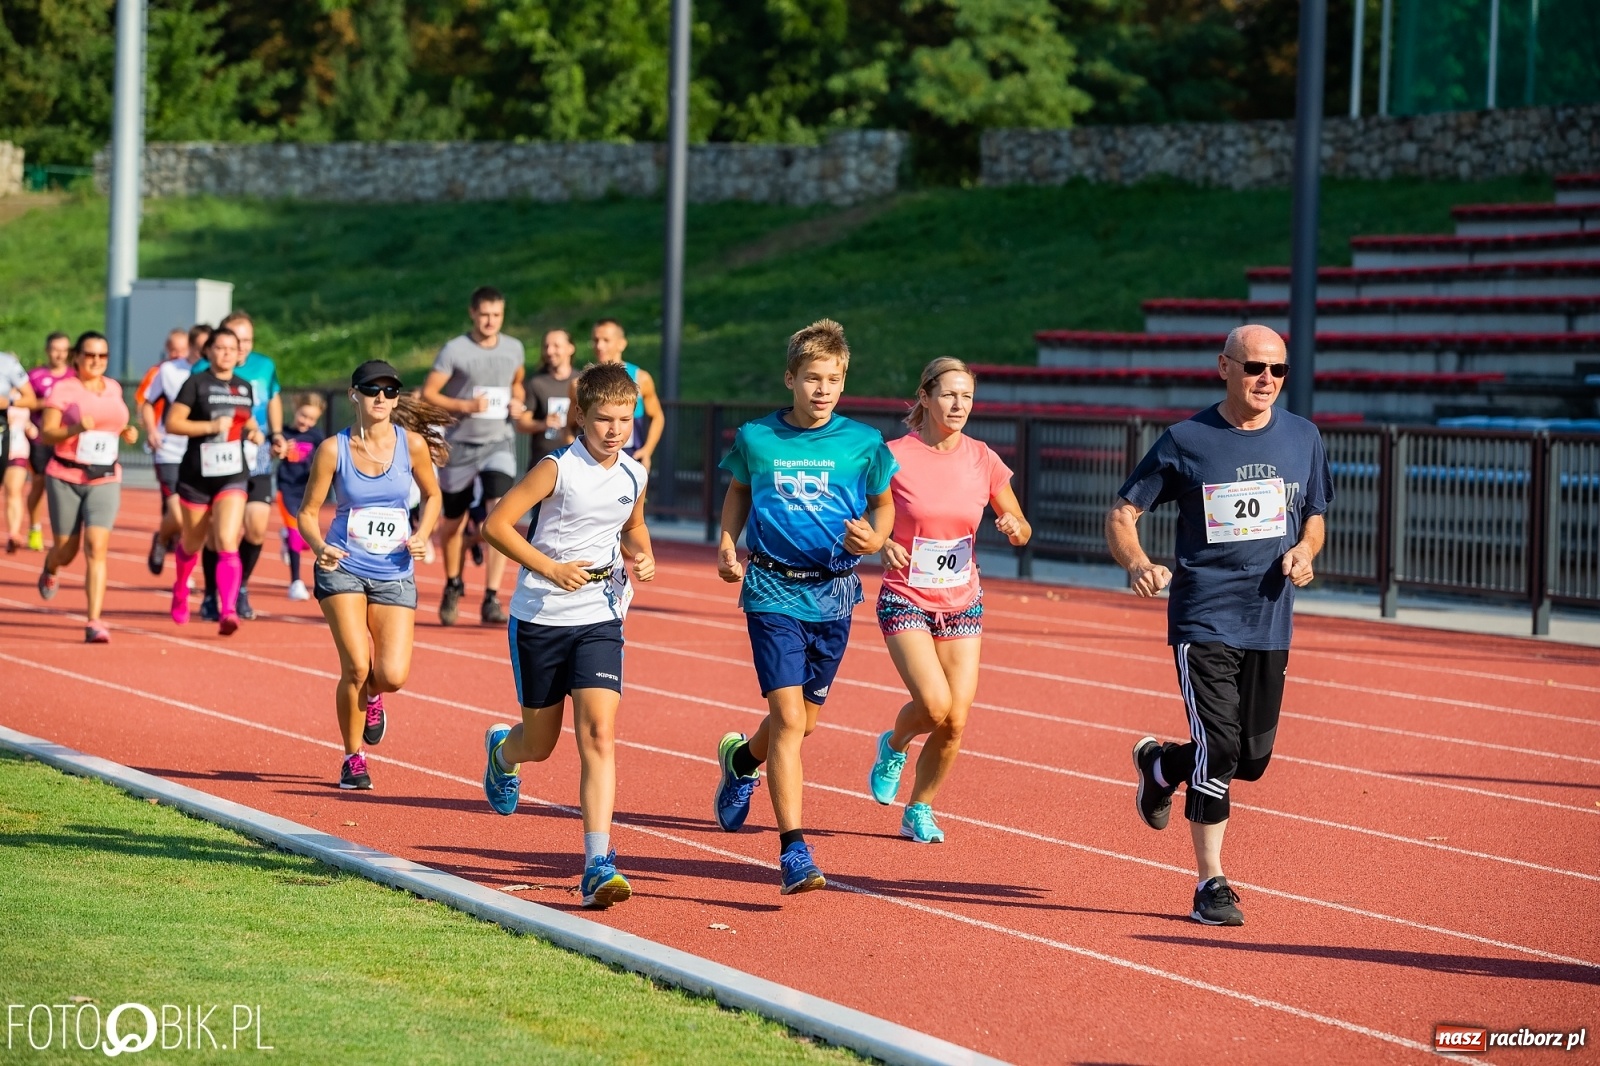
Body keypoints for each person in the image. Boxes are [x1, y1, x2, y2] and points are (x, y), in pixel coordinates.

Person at [1108, 324, 1330, 927]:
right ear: (1224, 367)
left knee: (1249, 759)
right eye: (1255, 367)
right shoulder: (1186, 439)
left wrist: (1306, 552)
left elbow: (1314, 516)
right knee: (1221, 746)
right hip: (1203, 612)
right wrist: (1137, 563)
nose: (1267, 380)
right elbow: (1124, 511)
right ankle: (1212, 883)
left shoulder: (1304, 438)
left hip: (1270, 616)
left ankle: (1161, 766)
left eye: (1278, 371)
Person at [709, 319, 896, 894]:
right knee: (789, 719)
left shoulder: (864, 443)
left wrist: (876, 536)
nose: (822, 390)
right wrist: (726, 541)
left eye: (833, 380)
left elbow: (882, 506)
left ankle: (742, 761)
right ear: (790, 378)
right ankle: (794, 851)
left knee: (803, 724)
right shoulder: (756, 438)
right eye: (812, 378)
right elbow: (738, 490)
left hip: (834, 592)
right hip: (770, 588)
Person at [480, 362, 655, 909]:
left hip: (600, 614)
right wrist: (549, 568)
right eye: (604, 419)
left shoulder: (634, 474)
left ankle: (598, 863)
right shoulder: (557, 468)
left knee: (599, 734)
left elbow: (632, 525)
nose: (615, 430)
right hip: (541, 614)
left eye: (625, 420)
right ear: (580, 415)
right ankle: (502, 756)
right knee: (540, 743)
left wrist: (642, 552)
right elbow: (496, 525)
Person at [865, 359, 1031, 843]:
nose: (959, 405)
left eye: (968, 397)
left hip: (962, 598)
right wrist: (881, 542)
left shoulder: (982, 457)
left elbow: (1021, 526)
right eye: (949, 395)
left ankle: (920, 807)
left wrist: (1015, 528)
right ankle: (894, 744)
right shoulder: (892, 455)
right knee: (934, 705)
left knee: (956, 721)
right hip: (906, 594)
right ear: (925, 397)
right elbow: (858, 516)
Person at [296, 361, 446, 790]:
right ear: (354, 395)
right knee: (357, 666)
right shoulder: (333, 449)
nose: (382, 398)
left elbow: (433, 495)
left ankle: (374, 698)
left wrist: (423, 532)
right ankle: (353, 757)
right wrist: (320, 547)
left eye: (390, 391)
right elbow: (307, 513)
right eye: (372, 389)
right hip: (342, 565)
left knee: (392, 674)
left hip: (395, 569)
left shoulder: (412, 445)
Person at [421, 286, 526, 626]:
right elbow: (429, 393)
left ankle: (492, 596)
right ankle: (453, 584)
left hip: (499, 442)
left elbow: (518, 382)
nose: (490, 321)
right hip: (461, 445)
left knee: (498, 514)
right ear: (472, 313)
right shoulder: (456, 349)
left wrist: (517, 401)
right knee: (452, 521)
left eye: (496, 315)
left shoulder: (514, 348)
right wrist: (465, 405)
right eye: (484, 315)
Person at [34, 332, 139, 643]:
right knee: (66, 550)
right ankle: (51, 565)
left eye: (102, 356)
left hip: (105, 477)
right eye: (90, 355)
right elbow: (47, 434)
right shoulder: (64, 389)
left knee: (97, 547)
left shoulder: (114, 388)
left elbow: (118, 425)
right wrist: (76, 428)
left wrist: (129, 433)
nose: (96, 361)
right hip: (66, 476)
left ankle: (94, 620)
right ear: (77, 357)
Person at [163, 327, 264, 635]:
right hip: (197, 474)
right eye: (219, 348)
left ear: (239, 354)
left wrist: (255, 432)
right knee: (192, 542)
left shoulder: (244, 387)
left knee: (227, 539)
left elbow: (247, 421)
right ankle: (180, 588)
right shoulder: (196, 383)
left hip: (233, 473)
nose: (225, 354)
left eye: (231, 349)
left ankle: (228, 610)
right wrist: (209, 424)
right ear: (208, 351)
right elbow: (173, 423)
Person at [192, 312, 282, 622]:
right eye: (235, 340)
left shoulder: (264, 366)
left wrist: (276, 434)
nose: (241, 347)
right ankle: (210, 594)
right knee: (218, 535)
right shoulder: (203, 370)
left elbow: (273, 399)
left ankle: (239, 586)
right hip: (217, 458)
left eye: (247, 341)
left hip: (254, 455)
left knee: (256, 527)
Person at [140, 325, 205, 574]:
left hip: (200, 452)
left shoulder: (212, 373)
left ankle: (183, 565)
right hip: (169, 450)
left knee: (195, 517)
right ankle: (161, 540)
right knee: (178, 514)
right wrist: (152, 431)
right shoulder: (169, 370)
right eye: (199, 347)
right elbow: (147, 403)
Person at [563, 319, 664, 468]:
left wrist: (647, 450)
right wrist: (574, 454)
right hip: (590, 464)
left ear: (621, 343)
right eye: (596, 340)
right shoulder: (579, 384)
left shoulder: (641, 378)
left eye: (606, 340)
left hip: (630, 459)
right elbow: (569, 425)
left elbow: (657, 417)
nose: (599, 345)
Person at [274, 393, 327, 601]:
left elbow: (326, 459)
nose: (306, 422)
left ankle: (287, 538)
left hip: (308, 491)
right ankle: (296, 582)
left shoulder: (317, 436)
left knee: (306, 538)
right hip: (286, 489)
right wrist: (277, 449)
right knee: (296, 534)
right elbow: (271, 451)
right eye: (303, 416)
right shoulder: (283, 434)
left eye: (311, 419)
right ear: (295, 410)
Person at [25, 332, 73, 551]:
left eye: (64, 350)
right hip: (40, 437)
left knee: (65, 487)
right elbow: (24, 401)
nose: (59, 354)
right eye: (55, 349)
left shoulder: (74, 377)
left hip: (67, 439)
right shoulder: (35, 376)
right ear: (47, 351)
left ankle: (63, 532)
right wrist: (45, 404)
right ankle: (35, 527)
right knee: (40, 482)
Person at [514, 328, 576, 469]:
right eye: (546, 346)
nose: (549, 351)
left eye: (556, 346)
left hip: (575, 463)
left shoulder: (581, 381)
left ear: (570, 348)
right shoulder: (537, 382)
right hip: (542, 463)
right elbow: (521, 424)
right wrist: (543, 424)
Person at [1, 349, 38, 553]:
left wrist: (33, 430)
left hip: (18, 450)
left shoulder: (22, 398)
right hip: (1, 448)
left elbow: (27, 420)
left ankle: (14, 533)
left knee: (14, 491)